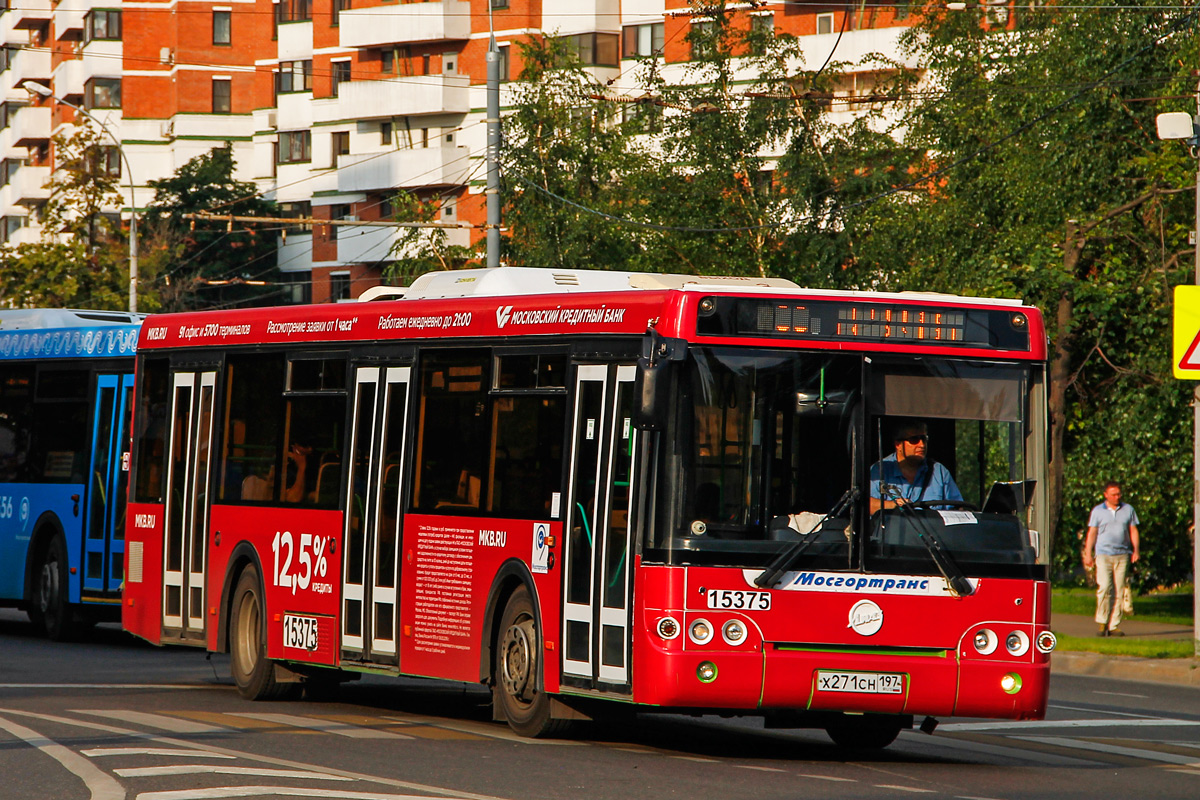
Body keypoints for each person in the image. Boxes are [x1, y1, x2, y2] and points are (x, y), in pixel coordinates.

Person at [1082, 481, 1139, 637]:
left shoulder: (1128, 510)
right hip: (1103, 554)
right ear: (1106, 495)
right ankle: (1102, 622)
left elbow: (1133, 530)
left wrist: (1136, 550)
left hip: (1122, 554)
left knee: (1119, 589)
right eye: (1113, 494)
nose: (1117, 497)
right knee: (1105, 587)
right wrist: (1088, 553)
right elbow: (1092, 533)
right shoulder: (1097, 511)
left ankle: (1114, 625)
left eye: (1119, 494)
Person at [869, 421, 963, 514]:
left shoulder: (940, 472)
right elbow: (866, 505)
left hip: (930, 529)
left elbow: (958, 509)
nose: (922, 445)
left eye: (924, 439)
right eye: (914, 439)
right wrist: (893, 505)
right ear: (898, 444)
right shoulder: (880, 469)